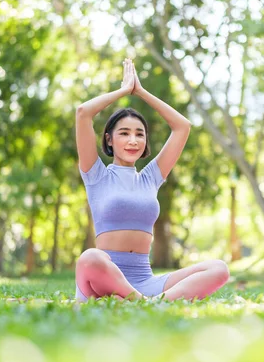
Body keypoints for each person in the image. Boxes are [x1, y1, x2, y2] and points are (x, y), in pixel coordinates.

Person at [74, 58, 230, 302]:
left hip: (147, 282)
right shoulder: (96, 174)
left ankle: (149, 303)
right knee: (90, 258)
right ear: (109, 140)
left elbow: (182, 126)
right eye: (124, 133)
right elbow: (83, 113)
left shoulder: (150, 177)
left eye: (140, 134)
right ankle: (142, 302)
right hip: (104, 280)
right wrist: (124, 91)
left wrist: (142, 92)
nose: (133, 140)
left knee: (219, 268)